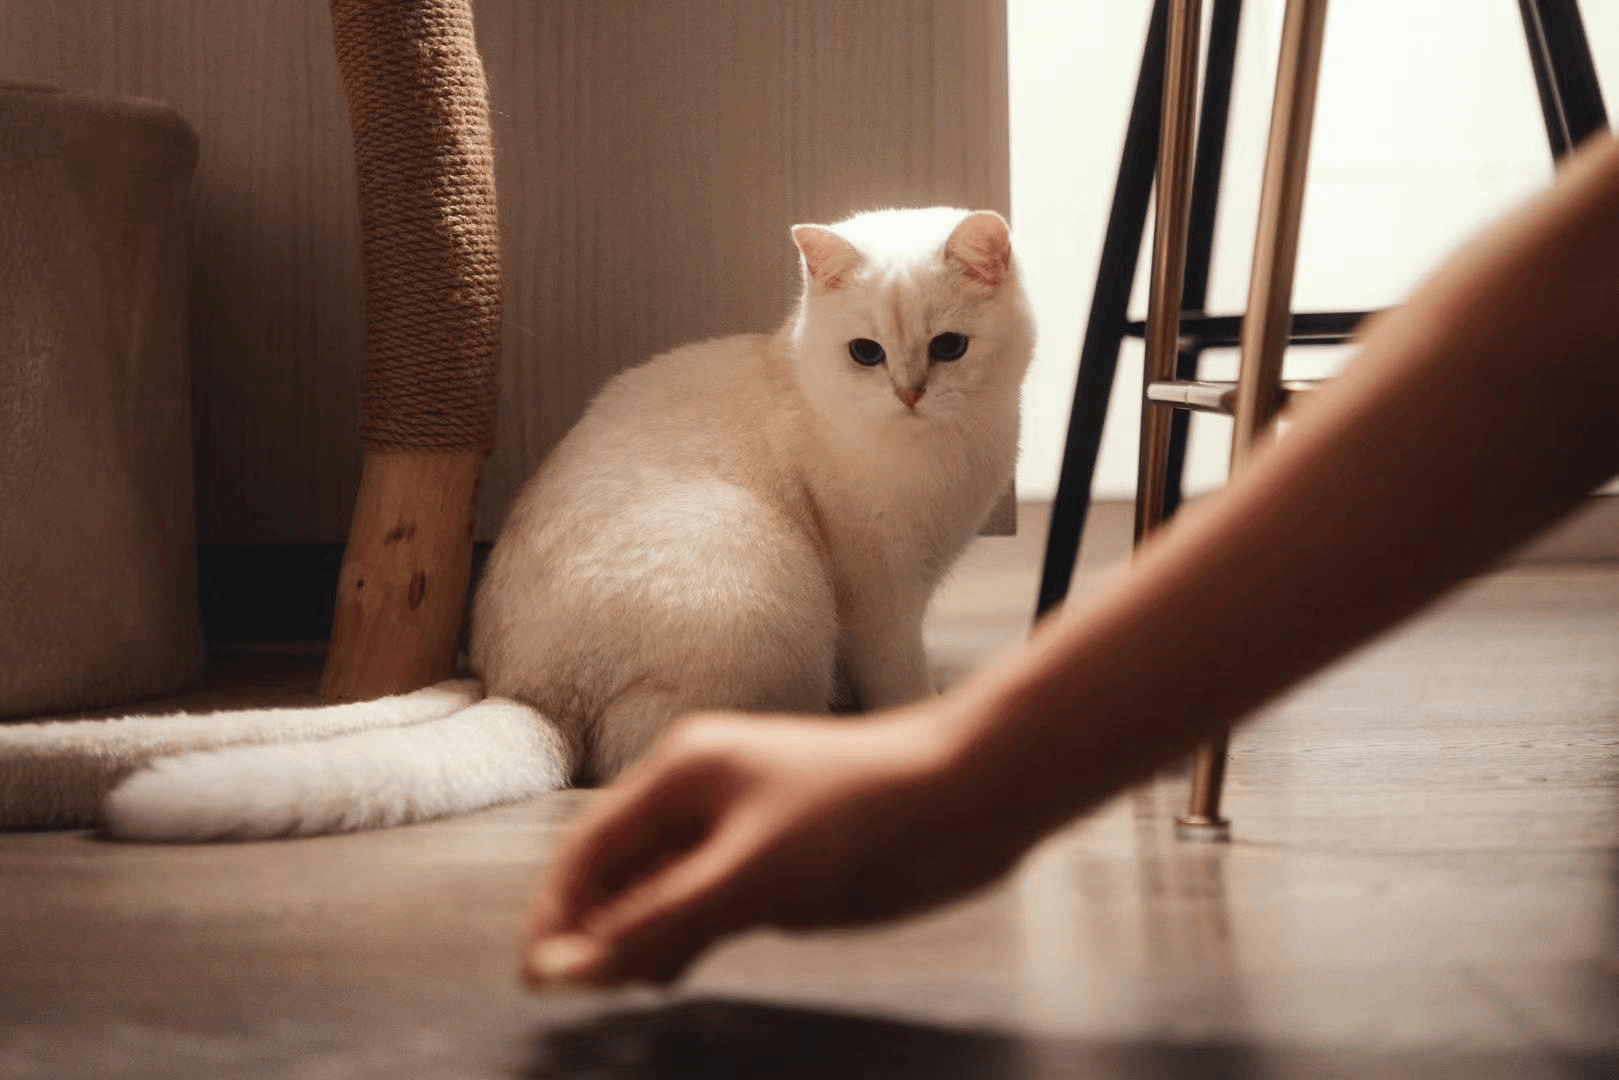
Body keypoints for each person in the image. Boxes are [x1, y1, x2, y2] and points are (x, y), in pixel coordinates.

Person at [521, 132, 1619, 990]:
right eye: (868, 355)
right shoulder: (810, 393)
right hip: (642, 652)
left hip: (602, 669)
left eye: (944, 348)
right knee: (795, 589)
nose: (907, 388)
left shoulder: (923, 365)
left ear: (992, 280)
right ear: (822, 308)